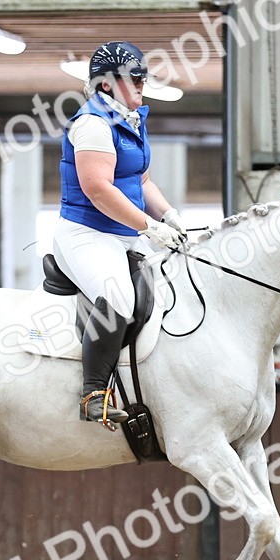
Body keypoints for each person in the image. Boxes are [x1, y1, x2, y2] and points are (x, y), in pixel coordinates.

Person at [55, 41, 186, 427]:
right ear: (107, 84)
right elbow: (99, 190)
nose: (143, 83)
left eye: (143, 76)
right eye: (135, 77)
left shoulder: (130, 119)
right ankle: (94, 393)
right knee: (118, 297)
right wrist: (150, 227)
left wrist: (169, 215)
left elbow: (140, 180)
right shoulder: (93, 124)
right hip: (87, 232)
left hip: (126, 231)